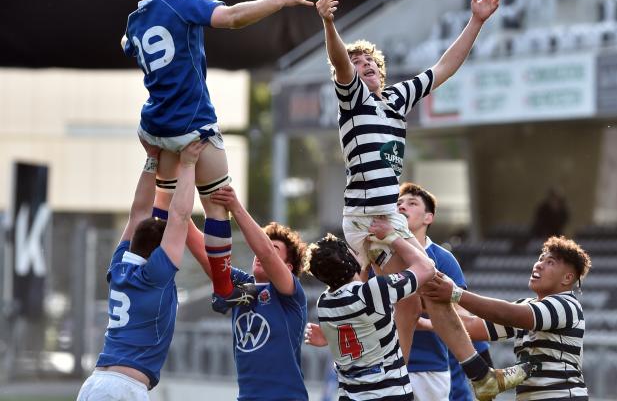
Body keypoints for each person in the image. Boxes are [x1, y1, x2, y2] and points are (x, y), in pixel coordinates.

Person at [315, 0, 530, 400]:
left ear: (382, 73)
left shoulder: (396, 99)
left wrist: (477, 21)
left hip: (387, 219)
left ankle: (476, 374)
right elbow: (339, 61)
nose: (360, 68)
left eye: (368, 64)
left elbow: (445, 67)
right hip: (365, 219)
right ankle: (389, 377)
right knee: (385, 292)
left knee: (425, 292)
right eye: (354, 64)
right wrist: (328, 22)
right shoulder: (353, 99)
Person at [122, 0, 318, 313]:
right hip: (191, 124)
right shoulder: (178, 5)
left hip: (155, 129)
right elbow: (232, 18)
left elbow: (129, 46)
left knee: (165, 208)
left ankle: (144, 272)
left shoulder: (133, 23)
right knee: (216, 207)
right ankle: (224, 288)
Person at [77, 138, 207, 400]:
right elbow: (179, 216)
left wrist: (152, 158)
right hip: (124, 387)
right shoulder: (155, 275)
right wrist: (188, 164)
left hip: (95, 383)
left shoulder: (119, 265)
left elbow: (137, 214)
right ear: (158, 252)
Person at [421, 235, 591, 400]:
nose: (539, 265)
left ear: (567, 278)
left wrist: (456, 294)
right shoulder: (528, 305)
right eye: (540, 259)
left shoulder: (566, 305)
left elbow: (507, 314)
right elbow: (471, 326)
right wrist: (424, 317)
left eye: (550, 262)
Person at [188, 185, 309, 401]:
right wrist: (177, 209)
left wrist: (235, 207)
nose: (260, 253)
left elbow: (265, 253)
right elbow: (205, 254)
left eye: (275, 249)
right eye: (266, 246)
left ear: (288, 267)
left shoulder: (290, 293)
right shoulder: (245, 285)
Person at [306, 221, 436, 400]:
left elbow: (355, 292)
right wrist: (392, 236)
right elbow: (427, 267)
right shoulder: (373, 291)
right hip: (390, 395)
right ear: (349, 261)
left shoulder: (324, 304)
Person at [397, 182, 492, 401]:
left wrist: (422, 320)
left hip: (429, 367)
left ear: (428, 217)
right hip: (385, 364)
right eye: (399, 203)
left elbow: (461, 317)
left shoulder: (443, 259)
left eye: (412, 203)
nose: (402, 207)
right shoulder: (379, 256)